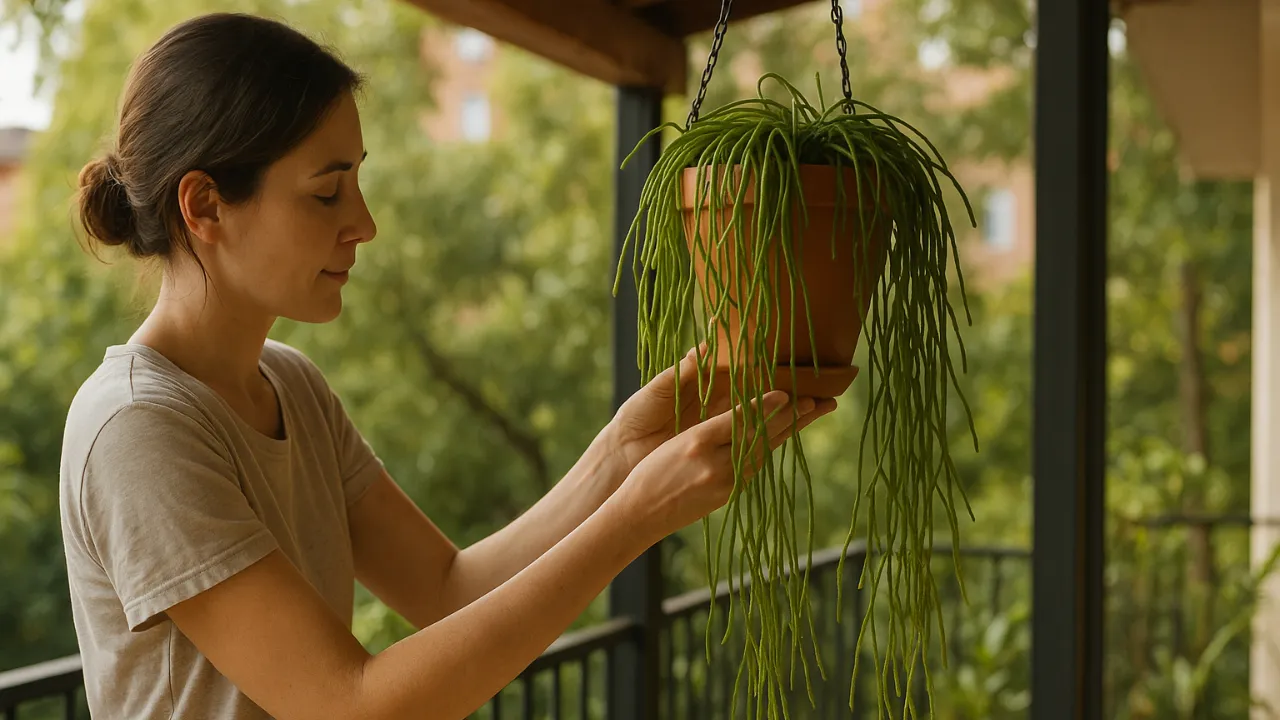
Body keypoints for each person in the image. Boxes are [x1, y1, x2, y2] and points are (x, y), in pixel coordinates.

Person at [58, 11, 836, 720]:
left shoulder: (289, 383)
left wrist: (619, 459)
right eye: (327, 194)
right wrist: (636, 518)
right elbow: (350, 706)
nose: (363, 223)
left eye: (356, 182)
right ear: (205, 208)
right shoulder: (138, 428)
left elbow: (445, 589)